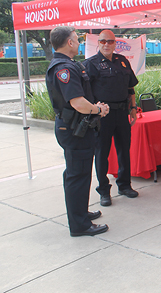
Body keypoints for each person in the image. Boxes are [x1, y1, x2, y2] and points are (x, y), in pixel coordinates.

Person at [46, 26, 110, 237]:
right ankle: (79, 225)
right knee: (77, 176)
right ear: (70, 43)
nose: (79, 42)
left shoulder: (69, 65)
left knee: (80, 174)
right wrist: (98, 109)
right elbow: (78, 103)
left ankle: (80, 213)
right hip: (74, 129)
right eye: (76, 39)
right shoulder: (64, 68)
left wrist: (93, 107)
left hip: (78, 128)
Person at [85, 30, 139, 207]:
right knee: (102, 153)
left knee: (124, 150)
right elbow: (85, 93)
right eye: (103, 41)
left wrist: (132, 108)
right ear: (98, 43)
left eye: (110, 41)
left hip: (122, 113)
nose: (106, 44)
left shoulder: (122, 61)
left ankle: (124, 185)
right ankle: (103, 190)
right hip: (102, 116)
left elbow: (131, 87)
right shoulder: (90, 64)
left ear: (115, 43)